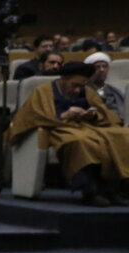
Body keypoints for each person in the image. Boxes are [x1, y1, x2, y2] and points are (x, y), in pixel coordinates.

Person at [9, 61, 129, 206]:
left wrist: (93, 115)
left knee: (122, 135)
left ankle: (112, 189)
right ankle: (90, 190)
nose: (78, 90)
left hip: (89, 127)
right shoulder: (44, 91)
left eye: (81, 86)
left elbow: (106, 116)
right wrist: (65, 115)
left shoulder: (88, 92)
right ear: (64, 79)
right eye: (75, 85)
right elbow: (34, 116)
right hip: (57, 128)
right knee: (81, 141)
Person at [85, 51, 126, 121]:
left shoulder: (115, 91)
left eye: (105, 66)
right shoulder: (83, 90)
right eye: (97, 67)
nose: (102, 70)